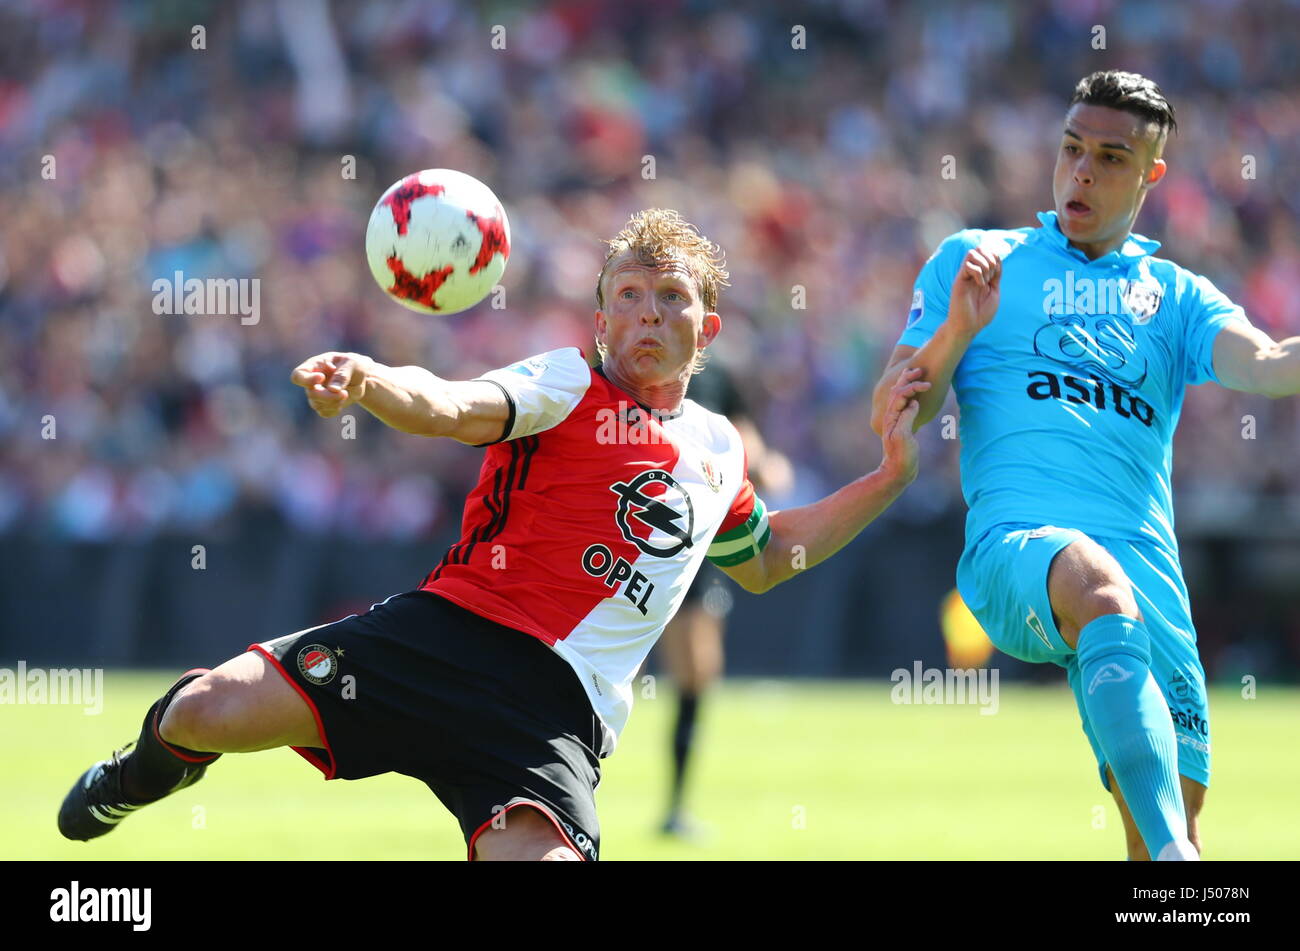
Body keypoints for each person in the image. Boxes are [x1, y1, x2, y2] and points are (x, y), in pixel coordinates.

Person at [60, 208, 928, 861]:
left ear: (708, 329)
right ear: (600, 317)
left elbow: (771, 559)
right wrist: (369, 381)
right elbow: (450, 405)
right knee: (204, 711)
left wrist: (886, 477)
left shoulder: (718, 445)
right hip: (442, 638)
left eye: (673, 299)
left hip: (552, 716)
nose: (649, 314)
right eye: (629, 295)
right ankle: (140, 774)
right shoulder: (565, 381)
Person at [871, 70, 1300, 861]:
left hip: (1150, 572)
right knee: (1095, 583)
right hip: (1018, 545)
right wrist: (958, 332)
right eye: (1072, 149)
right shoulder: (978, 261)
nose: (1081, 172)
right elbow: (898, 408)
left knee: (1164, 820)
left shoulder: (1175, 296)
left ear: (1149, 176)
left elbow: (1272, 362)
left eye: (1109, 157)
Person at [650, 360, 793, 838]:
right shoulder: (620, 365)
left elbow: (744, 436)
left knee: (696, 675)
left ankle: (675, 807)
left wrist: (766, 466)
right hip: (634, 534)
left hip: (695, 541)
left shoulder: (717, 375)